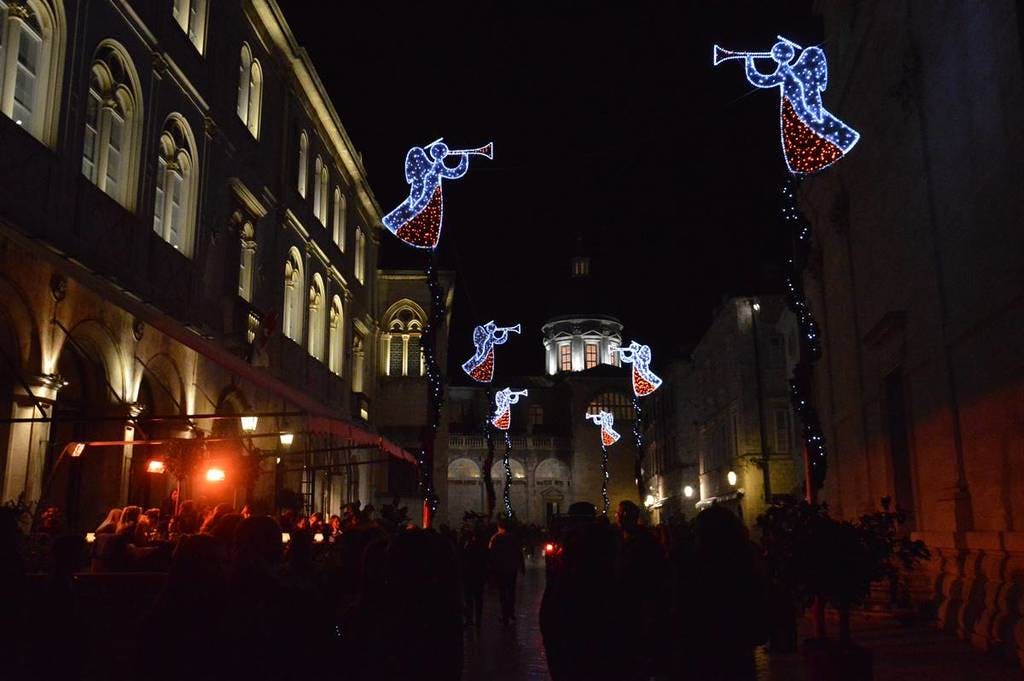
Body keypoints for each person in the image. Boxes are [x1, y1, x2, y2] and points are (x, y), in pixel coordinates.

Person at [381, 139, 474, 249]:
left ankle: (406, 229)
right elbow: (455, 172)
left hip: (430, 195)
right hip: (430, 196)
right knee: (419, 214)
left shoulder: (435, 166)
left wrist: (464, 158)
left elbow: (455, 172)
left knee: (420, 215)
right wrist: (464, 157)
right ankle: (409, 231)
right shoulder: (436, 167)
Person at [488, 519, 524, 624]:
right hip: (511, 568)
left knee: (503, 592)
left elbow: (492, 553)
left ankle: (505, 614)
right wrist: (521, 566)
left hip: (501, 568)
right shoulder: (513, 538)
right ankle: (511, 613)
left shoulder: (495, 538)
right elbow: (518, 552)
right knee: (511, 591)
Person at [459, 522, 487, 627]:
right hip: (477, 574)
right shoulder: (482, 546)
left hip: (469, 574)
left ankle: (470, 618)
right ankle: (476, 618)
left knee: (469, 598)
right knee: (477, 598)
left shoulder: (467, 546)